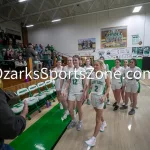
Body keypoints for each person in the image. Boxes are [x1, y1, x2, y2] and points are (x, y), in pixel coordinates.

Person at [85, 60, 110, 147]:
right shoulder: (92, 74)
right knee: (98, 113)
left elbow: (108, 86)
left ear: (101, 66)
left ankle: (93, 139)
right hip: (93, 97)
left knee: (97, 119)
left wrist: (105, 96)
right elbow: (91, 86)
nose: (95, 66)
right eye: (94, 65)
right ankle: (104, 122)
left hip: (100, 98)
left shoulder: (105, 75)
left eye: (97, 65)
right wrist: (86, 92)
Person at [61, 55, 87, 131]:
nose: (74, 61)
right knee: (70, 108)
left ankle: (80, 121)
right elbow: (68, 81)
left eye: (76, 60)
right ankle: (73, 120)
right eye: (73, 60)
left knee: (79, 108)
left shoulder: (82, 70)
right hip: (71, 91)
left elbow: (85, 81)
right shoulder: (70, 70)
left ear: (79, 61)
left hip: (79, 91)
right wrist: (65, 89)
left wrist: (85, 92)